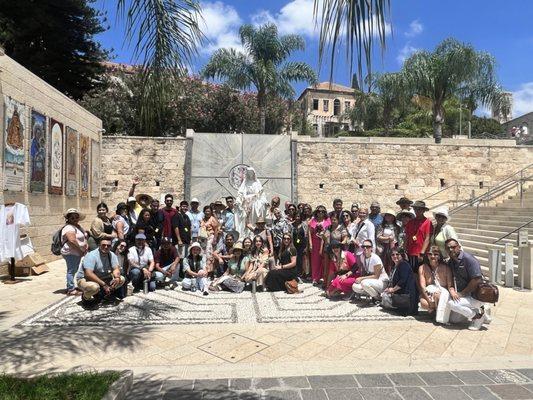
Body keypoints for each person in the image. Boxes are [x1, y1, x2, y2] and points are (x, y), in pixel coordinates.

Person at [446, 239, 489, 330]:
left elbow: (477, 279)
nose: (450, 250)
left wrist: (462, 293)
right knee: (454, 320)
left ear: (459, 247)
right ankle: (483, 312)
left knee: (452, 304)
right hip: (465, 296)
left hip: (476, 295)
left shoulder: (469, 259)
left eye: (453, 247)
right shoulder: (451, 262)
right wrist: (452, 290)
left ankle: (477, 317)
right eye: (448, 248)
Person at [76, 239, 125, 309]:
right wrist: (104, 285)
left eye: (108, 245)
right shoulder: (91, 255)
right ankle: (86, 297)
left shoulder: (112, 255)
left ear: (111, 246)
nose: (106, 247)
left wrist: (117, 277)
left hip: (103, 277)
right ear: (99, 245)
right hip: (85, 279)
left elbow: (116, 268)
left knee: (121, 279)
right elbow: (88, 274)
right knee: (94, 287)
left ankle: (105, 295)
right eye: (103, 245)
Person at [418, 246, 454, 323]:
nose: (433, 256)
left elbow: (450, 286)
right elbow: (422, 286)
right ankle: (434, 309)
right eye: (430, 254)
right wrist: (429, 302)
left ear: (439, 256)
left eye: (436, 254)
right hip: (429, 294)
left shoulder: (446, 268)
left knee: (438, 296)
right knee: (423, 303)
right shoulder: (422, 267)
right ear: (427, 255)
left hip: (442, 294)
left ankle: (438, 313)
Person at [381, 250, 418, 316]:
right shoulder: (395, 266)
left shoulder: (404, 265)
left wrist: (392, 290)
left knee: (386, 298)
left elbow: (403, 281)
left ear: (402, 255)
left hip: (407, 298)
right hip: (401, 295)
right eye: (393, 255)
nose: (395, 256)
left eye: (397, 254)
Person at [61, 208, 88, 295]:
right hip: (71, 252)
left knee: (74, 269)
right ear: (68, 218)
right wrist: (80, 249)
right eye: (72, 218)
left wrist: (85, 245)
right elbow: (72, 240)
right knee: (71, 270)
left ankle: (71, 286)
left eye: (76, 217)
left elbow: (83, 237)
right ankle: (71, 289)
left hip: (76, 252)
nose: (75, 219)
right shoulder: (69, 227)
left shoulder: (77, 226)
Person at [234, 167, 268, 237]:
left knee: (258, 206)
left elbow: (262, 194)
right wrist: (238, 201)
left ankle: (255, 230)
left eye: (251, 173)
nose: (250, 174)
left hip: (255, 202)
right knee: (243, 213)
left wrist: (264, 201)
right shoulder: (245, 183)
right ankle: (246, 233)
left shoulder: (257, 182)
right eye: (249, 173)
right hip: (246, 203)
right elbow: (240, 193)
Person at [404, 200, 433, 273]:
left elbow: (427, 238)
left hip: (420, 253)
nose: (417, 211)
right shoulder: (410, 222)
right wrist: (404, 250)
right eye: (415, 209)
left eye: (419, 209)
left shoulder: (427, 222)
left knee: (421, 272)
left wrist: (422, 253)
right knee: (411, 272)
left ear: (423, 210)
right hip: (410, 251)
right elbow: (407, 237)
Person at [308, 205, 331, 285]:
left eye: (322, 211)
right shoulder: (313, 221)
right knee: (315, 261)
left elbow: (328, 233)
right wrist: (310, 244)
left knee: (324, 260)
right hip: (315, 243)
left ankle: (324, 277)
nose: (320, 213)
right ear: (316, 212)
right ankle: (315, 278)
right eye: (319, 211)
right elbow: (309, 233)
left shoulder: (327, 221)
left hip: (324, 243)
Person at [376, 209, 399, 275]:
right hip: (384, 246)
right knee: (384, 261)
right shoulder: (382, 226)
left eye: (389, 215)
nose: (387, 217)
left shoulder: (396, 227)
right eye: (386, 215)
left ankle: (392, 275)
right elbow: (378, 236)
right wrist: (388, 238)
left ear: (393, 217)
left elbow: (397, 237)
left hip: (394, 246)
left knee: (393, 261)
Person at [200, 205, 220, 274]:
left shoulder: (212, 219)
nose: (207, 212)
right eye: (206, 211)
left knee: (209, 255)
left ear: (211, 212)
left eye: (209, 211)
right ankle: (204, 270)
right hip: (203, 239)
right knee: (203, 254)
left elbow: (216, 229)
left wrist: (215, 239)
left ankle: (210, 271)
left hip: (210, 238)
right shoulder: (203, 219)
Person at [291, 212, 308, 277]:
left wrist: (306, 246)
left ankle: (302, 273)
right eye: (296, 216)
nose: (297, 218)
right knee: (294, 259)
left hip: (302, 245)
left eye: (299, 216)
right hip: (294, 245)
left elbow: (306, 236)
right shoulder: (292, 225)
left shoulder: (304, 225)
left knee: (301, 260)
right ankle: (296, 273)